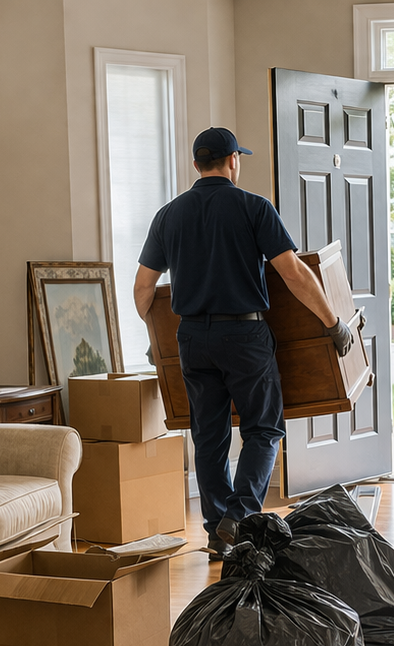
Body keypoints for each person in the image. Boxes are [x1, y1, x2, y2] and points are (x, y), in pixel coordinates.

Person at [133, 126, 354, 558]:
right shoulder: (254, 207)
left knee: (208, 435)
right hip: (244, 335)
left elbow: (143, 289)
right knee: (264, 428)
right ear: (233, 160)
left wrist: (157, 339)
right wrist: (334, 324)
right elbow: (293, 273)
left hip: (191, 337)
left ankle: (218, 531)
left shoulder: (168, 215)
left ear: (197, 164)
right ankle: (240, 518)